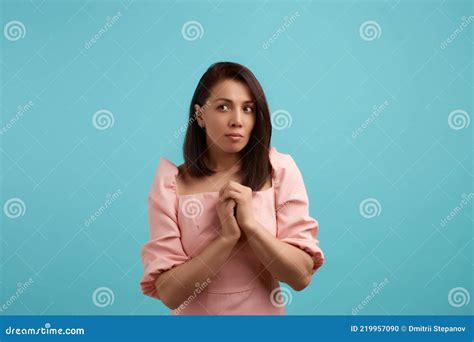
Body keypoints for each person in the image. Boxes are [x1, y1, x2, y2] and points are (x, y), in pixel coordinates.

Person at [140, 61, 324, 315]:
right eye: (223, 107)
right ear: (201, 115)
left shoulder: (280, 171)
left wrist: (250, 226)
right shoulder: (170, 184)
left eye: (248, 109)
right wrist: (226, 239)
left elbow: (300, 276)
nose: (237, 120)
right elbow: (171, 294)